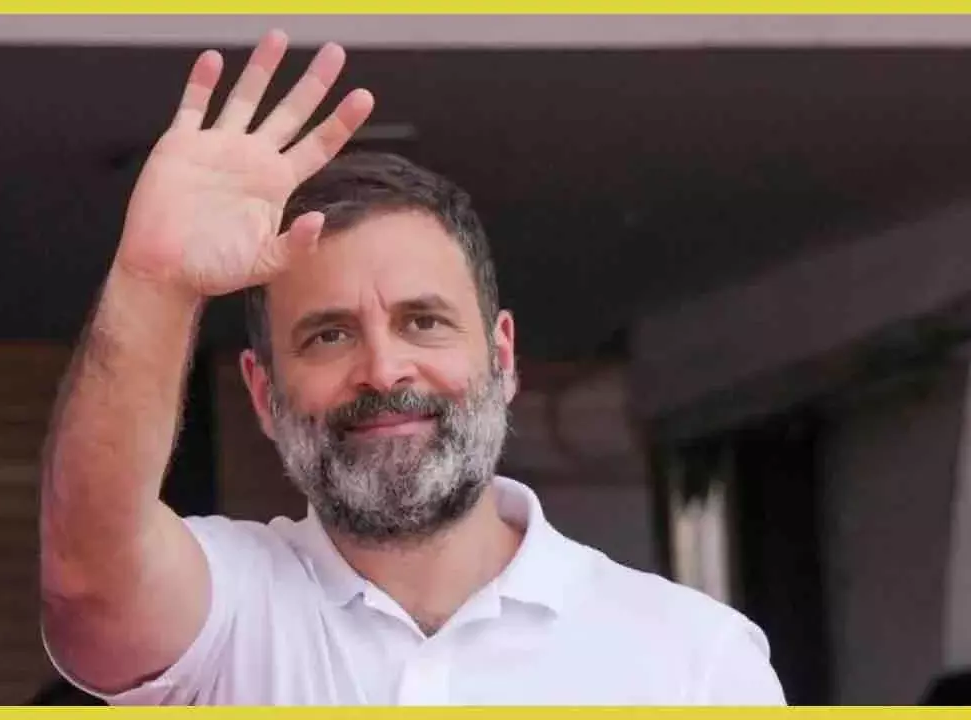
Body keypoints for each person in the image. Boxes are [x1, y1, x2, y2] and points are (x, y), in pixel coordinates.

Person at [38, 29, 786, 706]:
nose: (384, 367)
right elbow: (88, 580)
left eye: (422, 322)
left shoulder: (695, 661)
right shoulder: (228, 613)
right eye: (329, 335)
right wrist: (154, 283)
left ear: (502, 357)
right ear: (263, 394)